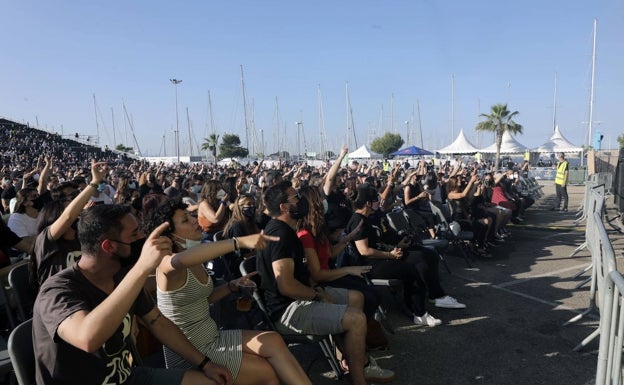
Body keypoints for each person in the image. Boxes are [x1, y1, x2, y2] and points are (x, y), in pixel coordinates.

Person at [32, 203, 232, 385]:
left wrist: (205, 364)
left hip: (127, 377)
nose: (143, 240)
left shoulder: (120, 276)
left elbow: (157, 322)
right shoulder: (57, 290)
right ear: (109, 246)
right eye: (135, 235)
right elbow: (87, 339)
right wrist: (142, 268)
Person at [142, 198, 313, 385]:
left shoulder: (195, 259)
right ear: (172, 236)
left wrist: (232, 286)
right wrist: (239, 242)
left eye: (190, 215)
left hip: (210, 335)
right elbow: (178, 261)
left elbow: (204, 299)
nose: (194, 220)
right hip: (191, 350)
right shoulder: (168, 264)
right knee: (266, 372)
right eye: (185, 220)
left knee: (273, 340)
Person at [256, 181, 395, 385]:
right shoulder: (281, 234)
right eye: (296, 197)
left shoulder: (288, 230)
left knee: (356, 297)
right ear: (284, 207)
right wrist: (318, 295)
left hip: (302, 295)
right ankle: (360, 377)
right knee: (356, 319)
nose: (301, 201)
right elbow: (286, 285)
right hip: (288, 309)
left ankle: (348, 360)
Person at [296, 185, 388, 350]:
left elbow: (329, 254)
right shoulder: (305, 235)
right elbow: (317, 274)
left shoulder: (317, 229)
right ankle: (355, 342)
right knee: (366, 296)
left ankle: (359, 338)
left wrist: (348, 239)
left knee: (373, 293)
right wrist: (348, 270)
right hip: (323, 281)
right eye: (320, 199)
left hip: (329, 275)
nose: (324, 202)